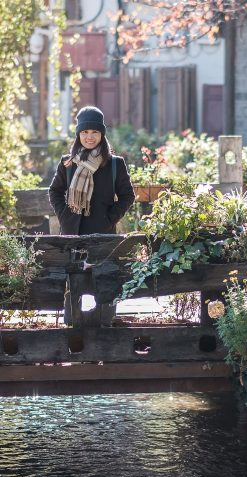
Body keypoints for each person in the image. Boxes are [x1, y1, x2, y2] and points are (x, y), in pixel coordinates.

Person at [49, 106, 135, 325]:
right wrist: (65, 215)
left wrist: (109, 218)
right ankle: (73, 334)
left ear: (102, 134)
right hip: (73, 236)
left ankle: (105, 332)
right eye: (85, 132)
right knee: (73, 291)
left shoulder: (115, 164)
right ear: (78, 134)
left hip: (103, 237)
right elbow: (54, 192)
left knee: (105, 287)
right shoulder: (68, 163)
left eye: (94, 132)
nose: (89, 137)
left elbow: (127, 196)